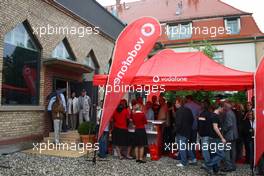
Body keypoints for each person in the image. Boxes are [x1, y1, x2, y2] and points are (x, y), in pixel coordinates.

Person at [202, 107, 226, 174]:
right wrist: (222, 138)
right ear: (220, 108)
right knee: (221, 154)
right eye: (223, 109)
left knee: (215, 155)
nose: (224, 111)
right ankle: (207, 165)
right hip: (215, 139)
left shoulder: (211, 115)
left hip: (212, 138)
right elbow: (215, 127)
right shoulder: (215, 116)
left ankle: (215, 170)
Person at [173, 98, 194, 167]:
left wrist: (174, 130)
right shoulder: (188, 110)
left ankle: (183, 162)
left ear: (179, 103)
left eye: (176, 103)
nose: (175, 104)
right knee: (186, 146)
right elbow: (192, 119)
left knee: (182, 147)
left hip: (181, 132)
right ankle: (193, 159)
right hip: (187, 131)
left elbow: (178, 123)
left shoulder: (179, 111)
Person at [222, 102, 238, 172]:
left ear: (226, 107)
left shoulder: (228, 113)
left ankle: (228, 167)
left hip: (229, 135)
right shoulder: (232, 112)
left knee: (227, 151)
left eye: (223, 106)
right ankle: (233, 165)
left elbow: (229, 125)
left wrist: (223, 130)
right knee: (233, 151)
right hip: (234, 135)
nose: (223, 108)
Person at [184, 95, 201, 164]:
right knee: (193, 142)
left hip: (187, 126)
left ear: (188, 99)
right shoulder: (198, 106)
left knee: (186, 141)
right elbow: (199, 117)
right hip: (195, 126)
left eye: (186, 99)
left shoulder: (185, 106)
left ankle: (187, 155)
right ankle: (193, 155)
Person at [197, 101, 212, 168]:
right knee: (209, 149)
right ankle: (209, 162)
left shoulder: (202, 114)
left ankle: (208, 164)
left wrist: (199, 133)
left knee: (205, 150)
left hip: (204, 134)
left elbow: (201, 125)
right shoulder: (211, 113)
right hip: (210, 133)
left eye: (201, 104)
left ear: (203, 106)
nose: (200, 106)